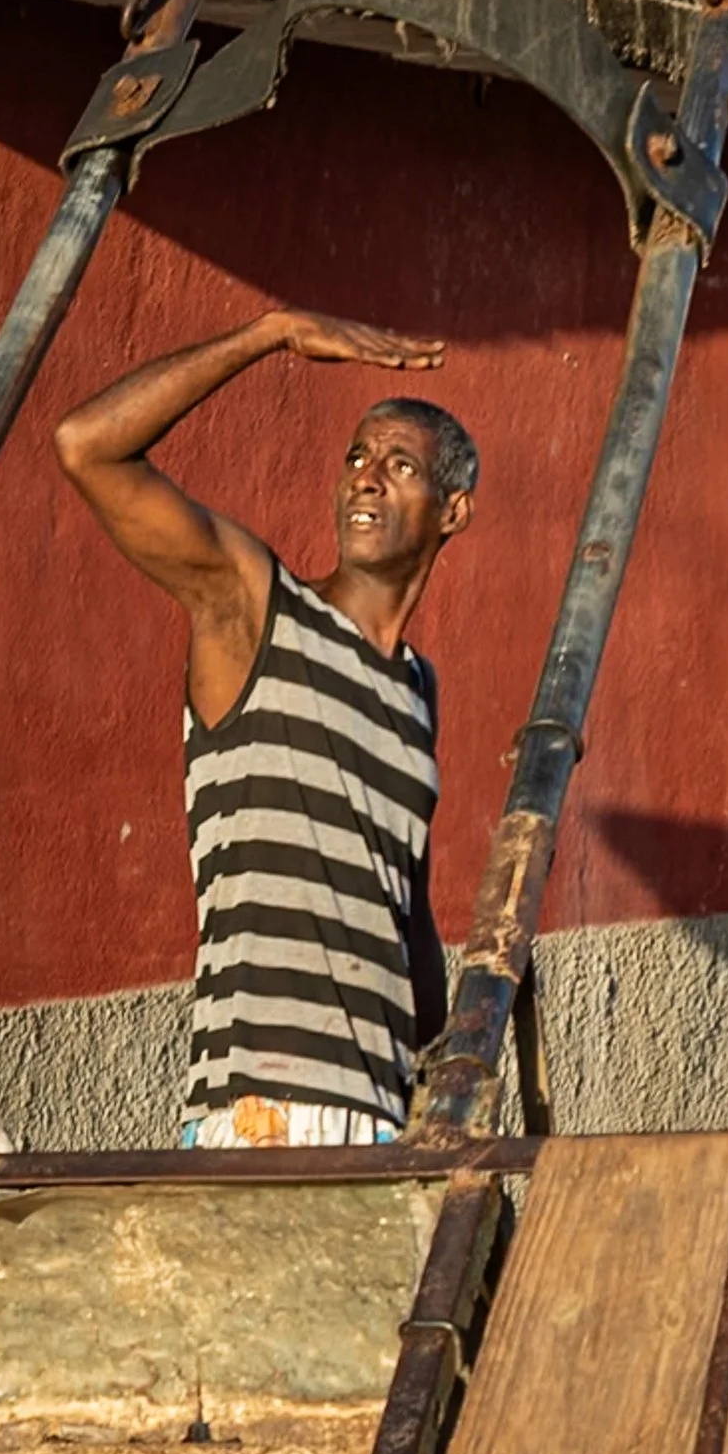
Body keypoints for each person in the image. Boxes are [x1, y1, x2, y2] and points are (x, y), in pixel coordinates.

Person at [54, 307, 466, 1148]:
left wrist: (444, 1067)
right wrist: (265, 335)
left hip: (380, 1122)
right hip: (258, 1112)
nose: (365, 478)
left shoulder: (417, 690)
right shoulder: (257, 609)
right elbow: (85, 444)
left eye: (400, 465)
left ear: (452, 511)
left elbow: (406, 905)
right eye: (356, 458)